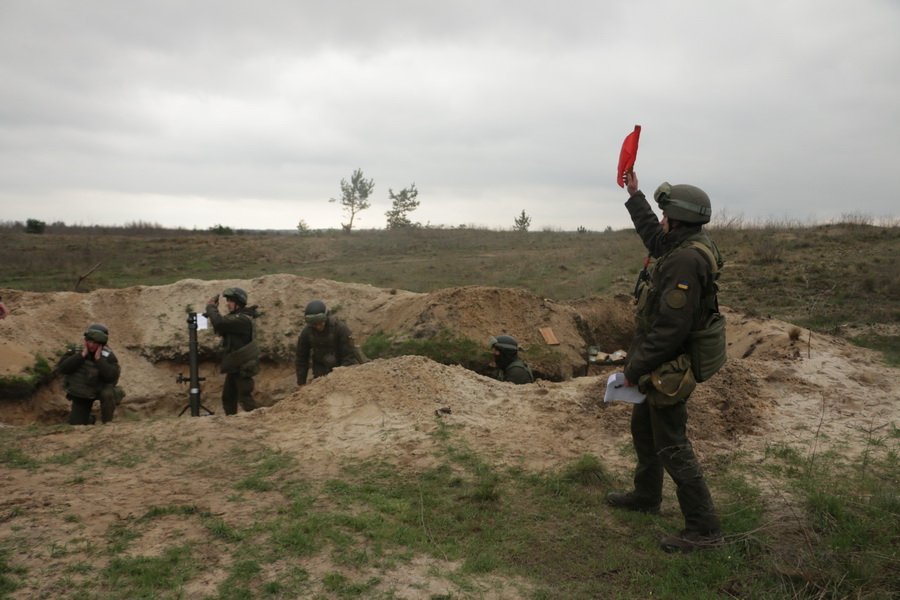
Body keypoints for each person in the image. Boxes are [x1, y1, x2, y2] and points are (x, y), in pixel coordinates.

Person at [606, 170, 723, 553]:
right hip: (661, 361)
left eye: (665, 215)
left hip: (669, 365)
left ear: (678, 219)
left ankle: (703, 529)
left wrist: (633, 369)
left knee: (672, 443)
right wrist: (635, 195)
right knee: (645, 430)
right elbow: (655, 239)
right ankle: (646, 496)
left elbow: (671, 329)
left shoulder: (686, 261)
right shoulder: (683, 243)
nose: (661, 222)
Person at [206, 287, 260, 415]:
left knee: (245, 398)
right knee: (228, 398)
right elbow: (221, 326)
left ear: (238, 303)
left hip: (242, 366)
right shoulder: (237, 318)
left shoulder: (242, 319)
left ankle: (258, 422)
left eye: (230, 301)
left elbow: (219, 323)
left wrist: (211, 308)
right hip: (235, 366)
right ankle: (232, 423)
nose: (228, 304)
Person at [57, 323, 122, 425]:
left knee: (108, 394)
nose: (91, 345)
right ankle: (90, 419)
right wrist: (81, 356)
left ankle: (107, 423)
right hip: (83, 393)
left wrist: (99, 360)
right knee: (77, 425)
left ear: (101, 344)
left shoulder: (108, 355)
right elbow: (62, 368)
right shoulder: (76, 351)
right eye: (89, 341)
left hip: (100, 389)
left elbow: (112, 377)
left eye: (95, 343)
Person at [295, 300, 361, 385]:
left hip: (342, 371)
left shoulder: (340, 329)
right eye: (314, 324)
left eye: (320, 322)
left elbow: (349, 356)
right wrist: (301, 383)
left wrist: (340, 376)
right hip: (320, 373)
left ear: (326, 317)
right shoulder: (307, 332)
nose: (318, 326)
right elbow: (301, 358)